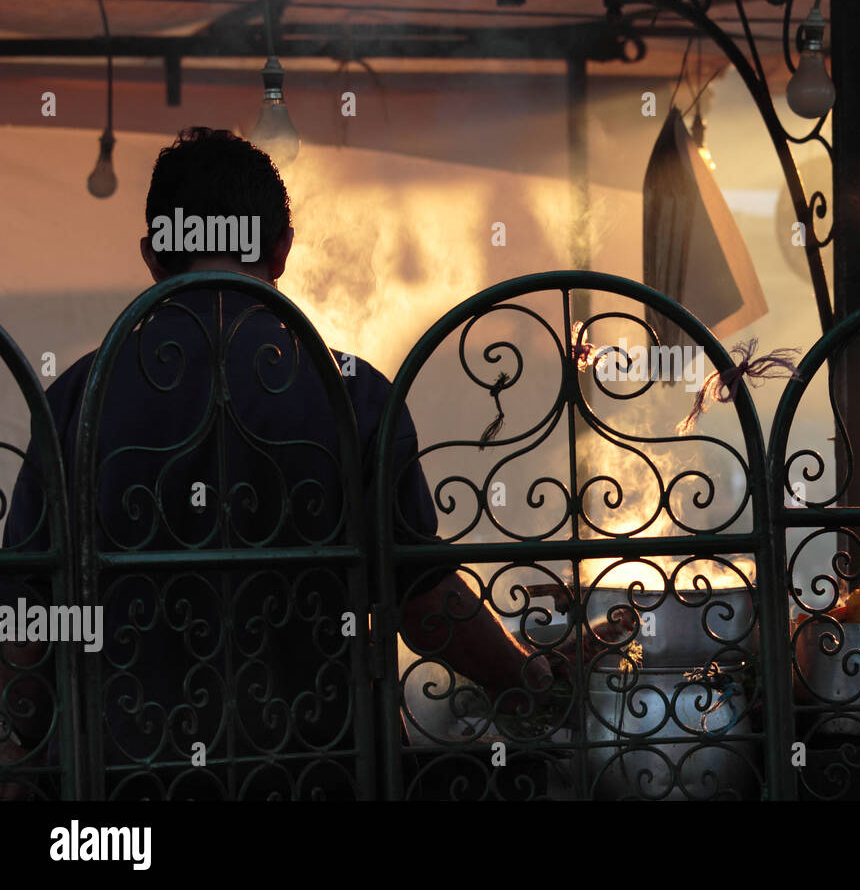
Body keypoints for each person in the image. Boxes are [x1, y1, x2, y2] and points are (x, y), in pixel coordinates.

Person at [0, 128, 565, 799]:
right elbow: (423, 599)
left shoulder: (77, 399)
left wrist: (21, 754)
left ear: (154, 256)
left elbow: (28, 612)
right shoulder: (351, 392)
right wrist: (527, 682)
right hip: (322, 772)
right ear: (281, 250)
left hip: (126, 783)